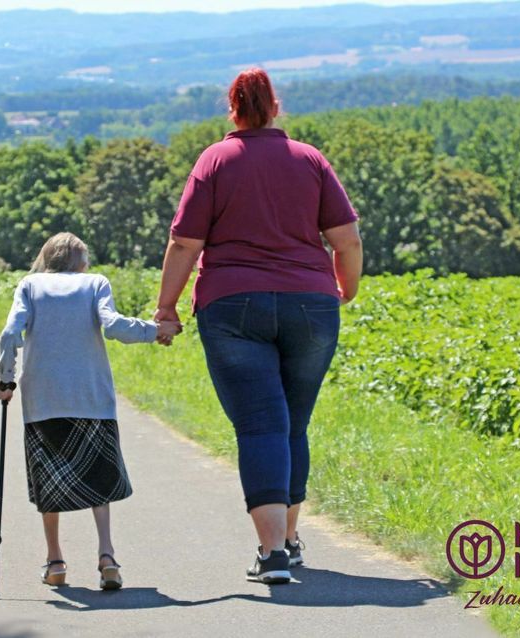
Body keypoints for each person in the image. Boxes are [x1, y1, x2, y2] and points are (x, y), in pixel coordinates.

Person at [154, 68, 363, 584]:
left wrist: (167, 307)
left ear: (234, 108)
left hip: (233, 306)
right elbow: (347, 239)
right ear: (275, 107)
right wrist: (345, 289)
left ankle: (272, 554)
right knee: (292, 422)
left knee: (261, 424)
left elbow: (185, 243)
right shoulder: (309, 160)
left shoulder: (215, 161)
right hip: (312, 306)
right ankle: (289, 540)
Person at [0, 232, 182, 590]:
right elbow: (112, 326)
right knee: (100, 478)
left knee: (48, 480)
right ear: (81, 262)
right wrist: (155, 331)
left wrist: (6, 381)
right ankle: (107, 557)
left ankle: (55, 562)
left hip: (44, 399)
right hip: (91, 396)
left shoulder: (30, 286)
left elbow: (9, 335)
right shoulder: (95, 283)